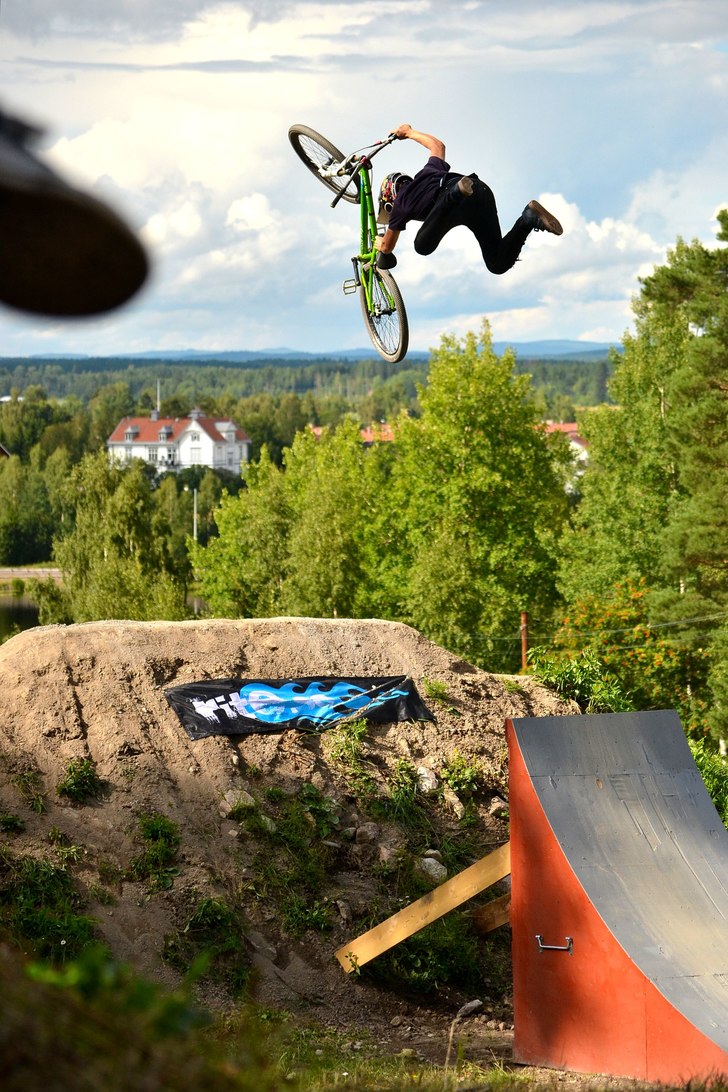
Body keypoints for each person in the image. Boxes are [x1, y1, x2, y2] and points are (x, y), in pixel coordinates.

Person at [374, 123, 562, 272]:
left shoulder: (399, 204)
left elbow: (387, 247)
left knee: (422, 246)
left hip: (453, 196)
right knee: (496, 263)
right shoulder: (429, 172)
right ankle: (527, 219)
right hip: (479, 191)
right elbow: (438, 146)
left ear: (389, 197)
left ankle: (455, 194)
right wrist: (409, 132)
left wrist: (379, 242)